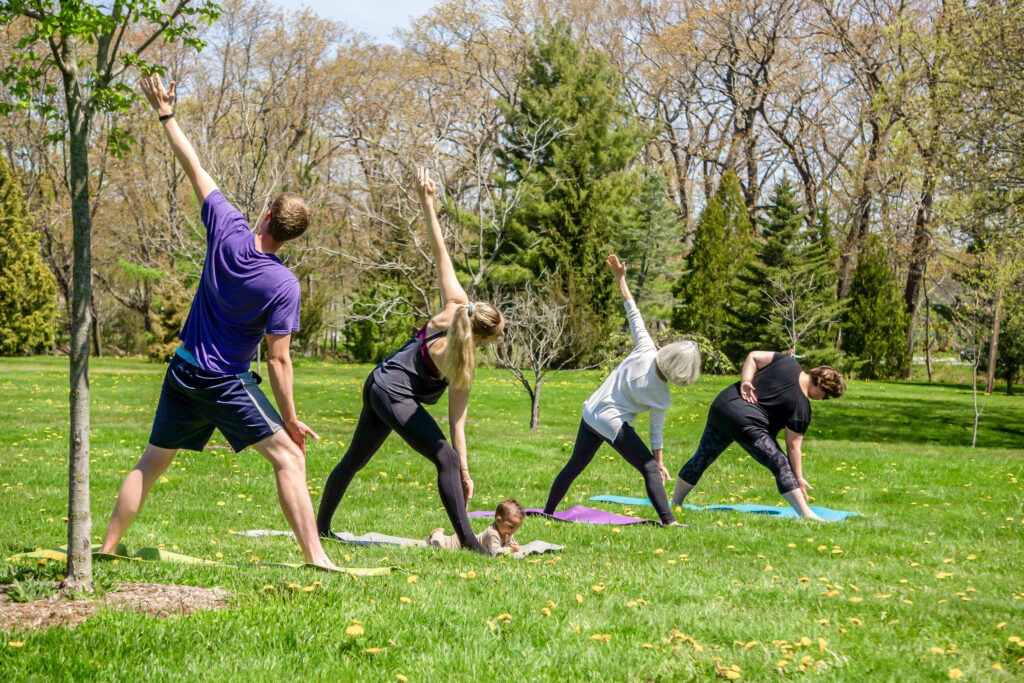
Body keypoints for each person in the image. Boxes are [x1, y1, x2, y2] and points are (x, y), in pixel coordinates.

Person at [99, 74, 337, 569]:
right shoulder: (283, 284)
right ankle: (317, 558)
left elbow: (194, 166)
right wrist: (290, 418)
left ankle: (105, 551)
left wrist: (166, 113)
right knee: (289, 458)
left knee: (151, 462)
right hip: (220, 381)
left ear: (267, 215)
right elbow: (278, 359)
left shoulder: (227, 228)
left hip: (183, 369)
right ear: (291, 236)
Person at [316, 167, 505, 553]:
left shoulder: (457, 304)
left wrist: (428, 202)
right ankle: (469, 544)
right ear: (482, 338)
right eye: (499, 334)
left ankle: (320, 527)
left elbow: (440, 252)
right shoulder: (463, 363)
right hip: (391, 394)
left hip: (377, 383)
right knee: (446, 459)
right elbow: (457, 422)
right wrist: (463, 471)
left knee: (354, 460)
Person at [543, 255, 701, 526]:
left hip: (591, 412)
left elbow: (632, 310)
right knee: (649, 468)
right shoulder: (662, 395)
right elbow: (656, 433)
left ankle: (547, 511)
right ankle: (669, 521)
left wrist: (621, 278)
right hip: (610, 420)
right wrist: (659, 463)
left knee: (574, 466)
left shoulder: (646, 347)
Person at [672, 350, 846, 521]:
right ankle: (806, 514)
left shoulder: (787, 362)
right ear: (820, 386)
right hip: (746, 423)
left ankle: (675, 503)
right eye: (826, 396)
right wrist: (798, 478)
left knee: (702, 457)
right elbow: (793, 448)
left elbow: (753, 356)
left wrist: (746, 381)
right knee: (780, 464)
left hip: (722, 407)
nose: (823, 399)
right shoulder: (802, 408)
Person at [428, 499, 523, 556]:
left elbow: (511, 543)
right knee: (441, 545)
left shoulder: (506, 532)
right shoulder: (492, 534)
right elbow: (495, 552)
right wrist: (510, 550)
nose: (513, 531)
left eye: (515, 528)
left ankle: (438, 535)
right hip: (460, 543)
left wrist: (514, 546)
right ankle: (437, 534)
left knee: (444, 543)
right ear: (498, 520)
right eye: (511, 527)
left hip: (469, 541)